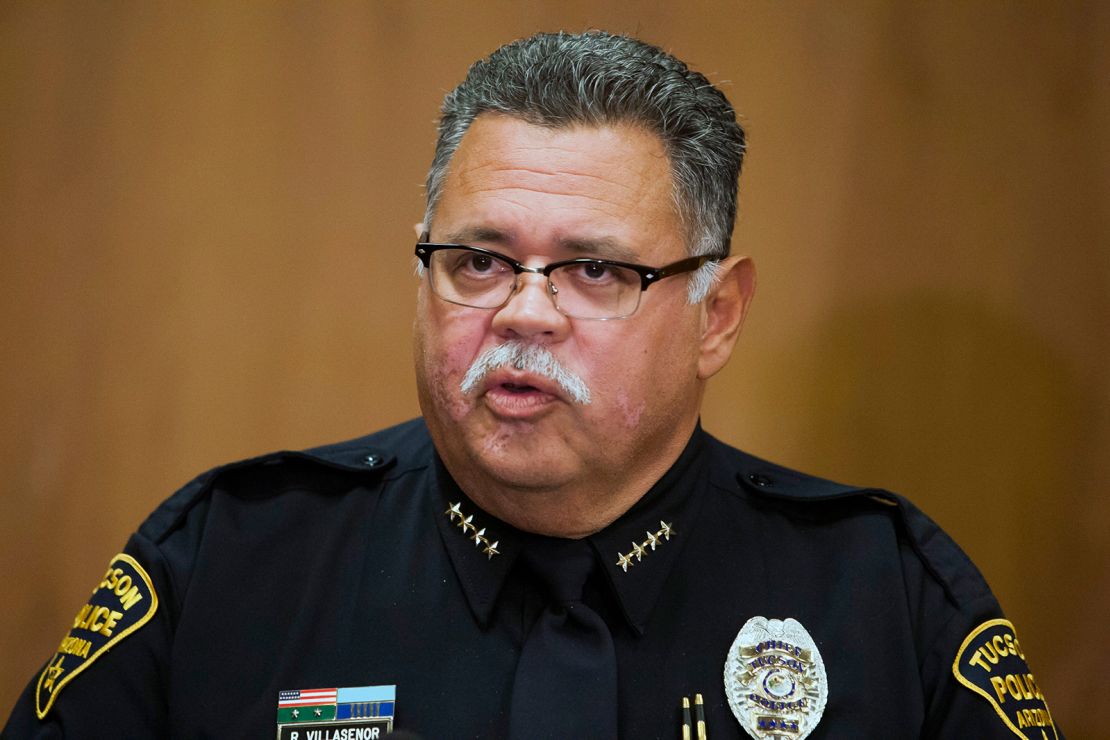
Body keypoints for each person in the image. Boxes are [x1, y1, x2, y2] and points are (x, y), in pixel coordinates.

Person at [5, 31, 1061, 739]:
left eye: (595, 270)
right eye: (479, 260)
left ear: (718, 315)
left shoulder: (885, 598)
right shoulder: (228, 563)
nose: (521, 312)